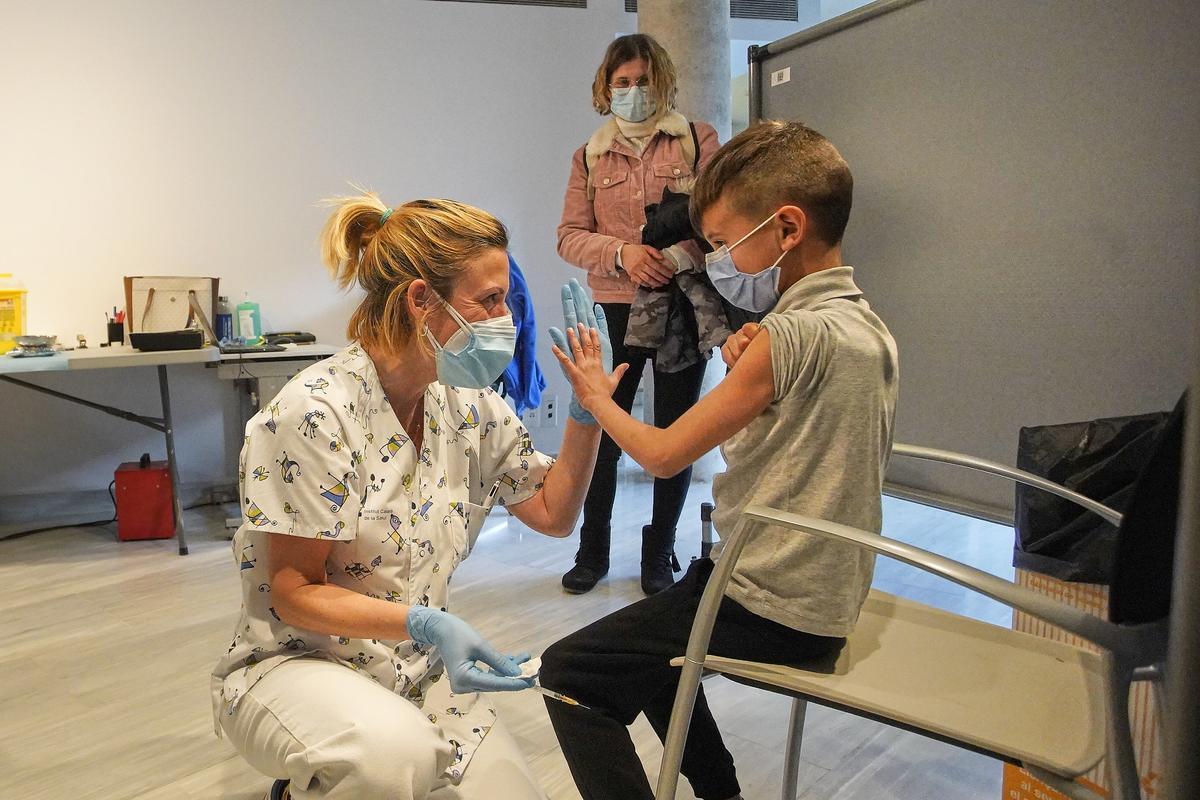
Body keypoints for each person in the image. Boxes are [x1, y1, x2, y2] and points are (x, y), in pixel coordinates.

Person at [210, 195, 620, 800]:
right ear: (421, 299)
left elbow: (553, 514)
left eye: (506, 300)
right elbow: (292, 593)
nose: (507, 318)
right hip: (297, 664)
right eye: (490, 300)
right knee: (389, 758)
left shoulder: (467, 405)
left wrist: (590, 413)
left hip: (416, 668)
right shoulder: (313, 414)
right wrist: (423, 621)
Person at [540, 121, 900, 800]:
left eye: (725, 243)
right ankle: (721, 792)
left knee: (569, 674)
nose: (718, 260)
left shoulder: (788, 336)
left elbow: (663, 454)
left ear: (786, 228)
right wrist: (757, 364)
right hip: (825, 598)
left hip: (768, 605)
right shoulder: (863, 326)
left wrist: (594, 397)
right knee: (652, 656)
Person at [556, 32, 723, 596]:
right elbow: (569, 236)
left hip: (681, 307)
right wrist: (623, 254)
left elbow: (722, 220)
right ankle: (592, 550)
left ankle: (661, 551)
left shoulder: (698, 140)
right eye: (622, 82)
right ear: (606, 89)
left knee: (676, 433)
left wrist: (677, 257)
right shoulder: (589, 155)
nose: (633, 91)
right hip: (613, 309)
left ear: (663, 82)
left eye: (643, 80)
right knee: (603, 431)